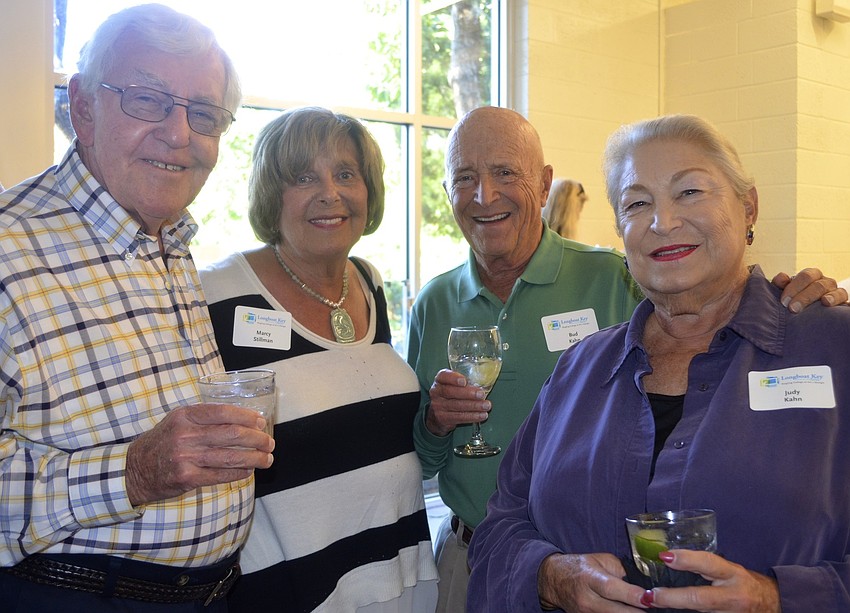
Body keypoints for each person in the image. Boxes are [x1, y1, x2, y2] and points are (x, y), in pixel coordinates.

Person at [406, 106, 848, 612]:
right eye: (638, 203)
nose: (663, 222)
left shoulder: (832, 348)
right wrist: (551, 576)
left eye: (689, 191)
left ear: (748, 207)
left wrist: (776, 598)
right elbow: (501, 526)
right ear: (620, 227)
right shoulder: (580, 368)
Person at [0, 5, 274, 612]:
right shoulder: (8, 249)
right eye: (147, 100)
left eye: (203, 114)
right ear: (82, 107)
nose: (178, 134)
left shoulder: (169, 242)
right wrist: (133, 471)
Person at [200, 106, 438, 612]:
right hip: (292, 590)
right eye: (304, 177)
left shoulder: (369, 282)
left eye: (346, 174)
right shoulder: (215, 294)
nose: (330, 193)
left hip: (398, 574)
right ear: (272, 193)